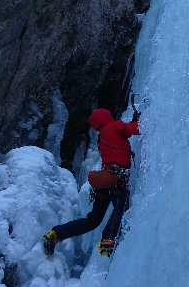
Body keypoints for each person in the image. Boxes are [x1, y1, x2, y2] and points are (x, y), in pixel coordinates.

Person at [43, 107, 140, 258]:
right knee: (121, 208)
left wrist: (134, 119)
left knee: (92, 220)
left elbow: (125, 134)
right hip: (116, 180)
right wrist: (142, 119)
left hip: (105, 182)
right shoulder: (114, 126)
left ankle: (56, 234)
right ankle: (108, 240)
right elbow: (134, 129)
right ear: (107, 118)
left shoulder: (102, 136)